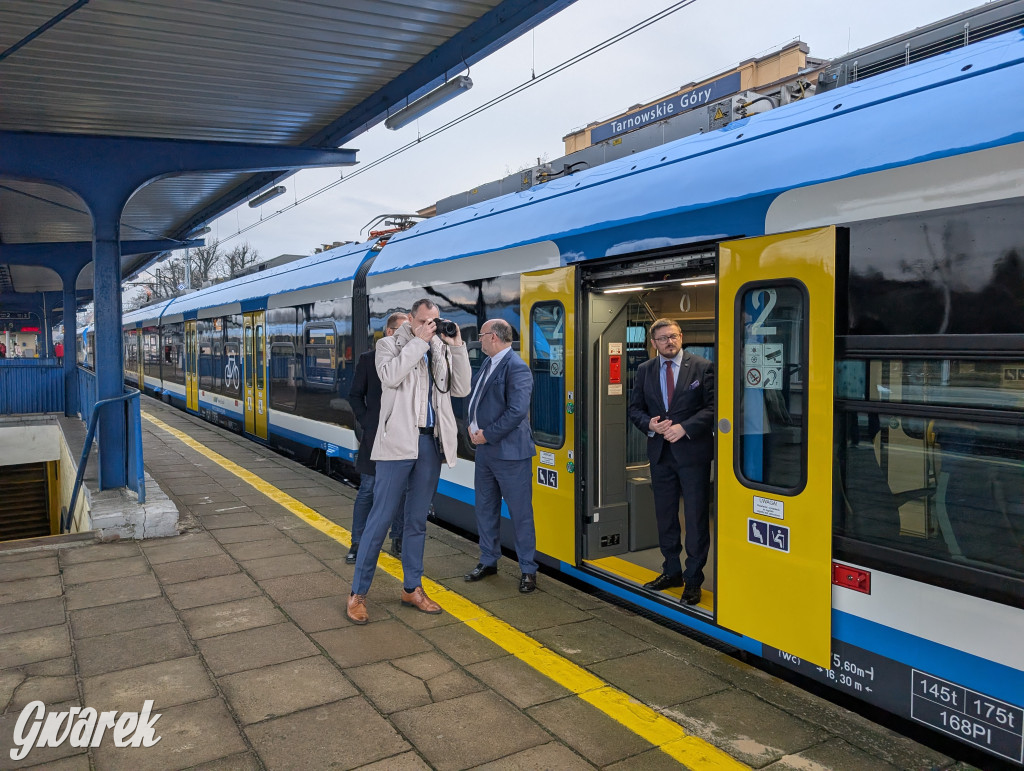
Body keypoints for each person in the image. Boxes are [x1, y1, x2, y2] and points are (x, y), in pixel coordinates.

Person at [347, 299, 472, 624]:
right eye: (425, 321)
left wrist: (456, 347)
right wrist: (419, 343)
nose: (432, 326)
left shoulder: (439, 349)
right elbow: (390, 377)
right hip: (397, 445)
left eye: (436, 320)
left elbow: (460, 388)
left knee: (417, 521)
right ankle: (357, 594)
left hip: (430, 444)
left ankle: (412, 588)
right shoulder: (389, 346)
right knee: (380, 519)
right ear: (412, 321)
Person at [627, 318, 714, 605]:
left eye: (674, 336)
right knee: (665, 517)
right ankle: (671, 571)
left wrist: (685, 427)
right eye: (663, 338)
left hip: (693, 455)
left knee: (696, 518)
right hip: (660, 455)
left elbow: (715, 407)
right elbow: (635, 408)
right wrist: (649, 424)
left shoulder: (702, 366)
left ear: (681, 337)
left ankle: (693, 579)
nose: (669, 341)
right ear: (653, 343)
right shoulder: (644, 370)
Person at [464, 319, 539, 593]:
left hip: (510, 454)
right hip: (485, 452)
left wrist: (487, 434)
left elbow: (517, 411)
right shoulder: (488, 363)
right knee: (485, 508)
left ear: (494, 337)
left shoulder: (516, 367)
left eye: (482, 335)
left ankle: (528, 570)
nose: (480, 340)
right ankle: (488, 560)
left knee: (520, 514)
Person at [346, 311, 409, 565]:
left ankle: (399, 539)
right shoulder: (368, 360)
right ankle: (357, 543)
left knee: (402, 492)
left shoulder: (412, 359)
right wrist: (369, 424)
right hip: (376, 439)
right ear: (391, 332)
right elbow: (354, 396)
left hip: (404, 439)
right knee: (368, 491)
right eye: (405, 330)